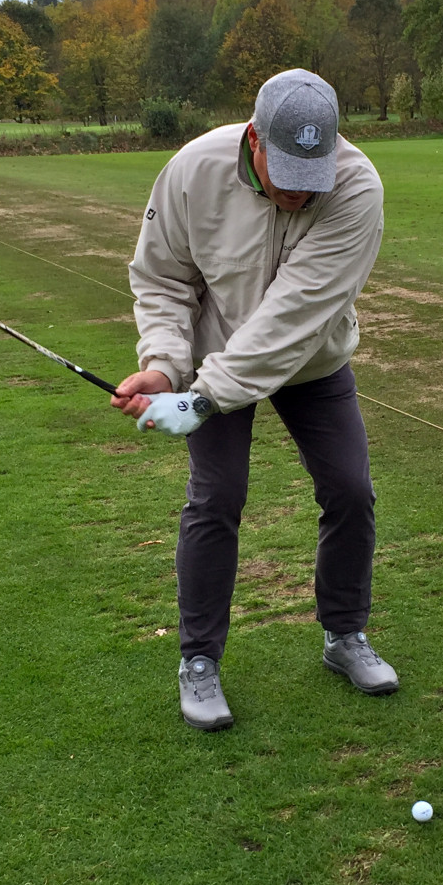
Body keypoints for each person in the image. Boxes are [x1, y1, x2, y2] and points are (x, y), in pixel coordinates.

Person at [111, 68, 399, 732]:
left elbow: (294, 316)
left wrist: (201, 399)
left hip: (311, 361)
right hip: (212, 358)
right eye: (288, 170)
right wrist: (162, 365)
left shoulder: (354, 188)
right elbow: (162, 277)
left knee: (350, 490)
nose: (301, 190)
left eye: (314, 171)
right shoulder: (193, 170)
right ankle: (198, 660)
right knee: (217, 498)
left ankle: (343, 635)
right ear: (253, 140)